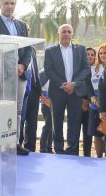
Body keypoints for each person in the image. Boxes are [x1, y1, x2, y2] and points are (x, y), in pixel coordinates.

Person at [0, 0, 32, 154]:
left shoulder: (21, 25)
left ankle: (13, 142)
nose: (9, 6)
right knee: (0, 109)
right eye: (6, 3)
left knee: (17, 111)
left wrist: (22, 65)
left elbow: (28, 48)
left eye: (12, 3)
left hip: (19, 74)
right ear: (0, 5)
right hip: (2, 75)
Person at [43, 24, 90, 155]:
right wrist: (64, 84)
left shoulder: (80, 49)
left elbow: (86, 69)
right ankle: (58, 149)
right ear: (58, 34)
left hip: (76, 92)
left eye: (69, 32)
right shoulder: (50, 51)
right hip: (57, 92)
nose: (67, 34)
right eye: (64, 32)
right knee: (56, 121)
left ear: (72, 34)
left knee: (74, 122)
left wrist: (74, 84)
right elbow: (48, 71)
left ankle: (72, 150)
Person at [88, 44, 106, 157]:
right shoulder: (93, 68)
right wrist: (92, 97)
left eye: (105, 53)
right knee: (97, 134)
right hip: (95, 106)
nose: (102, 55)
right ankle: (99, 157)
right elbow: (87, 84)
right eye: (100, 53)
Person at [80, 47, 96, 156]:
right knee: (75, 131)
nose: (89, 56)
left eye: (92, 54)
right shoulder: (78, 69)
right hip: (78, 103)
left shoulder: (98, 70)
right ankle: (73, 153)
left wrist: (88, 99)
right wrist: (82, 99)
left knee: (88, 132)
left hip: (91, 104)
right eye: (87, 54)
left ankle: (87, 155)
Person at [37, 69, 53, 153]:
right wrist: (45, 101)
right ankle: (43, 148)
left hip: (55, 104)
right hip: (46, 105)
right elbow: (38, 90)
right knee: (48, 125)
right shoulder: (43, 72)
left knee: (52, 127)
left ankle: (49, 147)